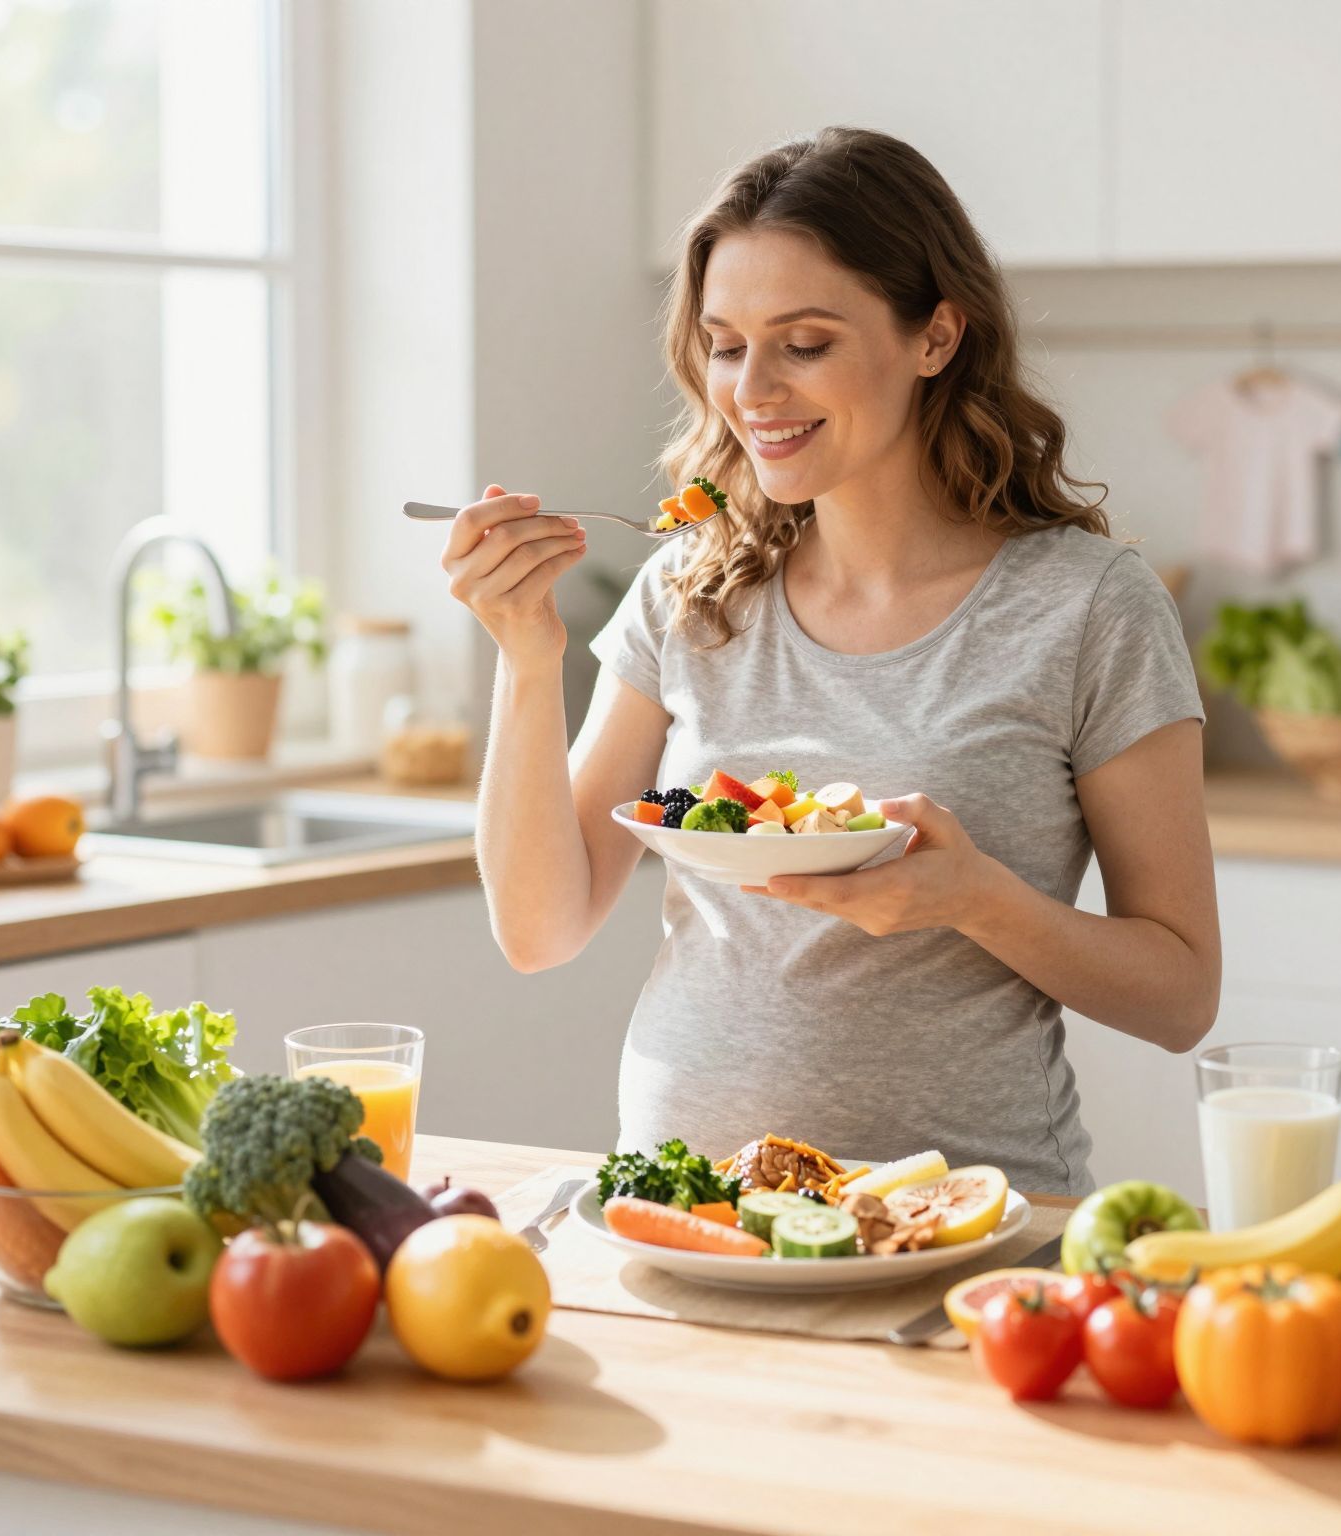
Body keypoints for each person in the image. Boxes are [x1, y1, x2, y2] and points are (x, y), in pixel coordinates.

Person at [437, 127, 1218, 1194]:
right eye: (723, 343)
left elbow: (1179, 997)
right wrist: (526, 661)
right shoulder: (689, 591)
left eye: (803, 343)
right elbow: (538, 928)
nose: (750, 389)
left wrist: (971, 897)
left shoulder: (1085, 607)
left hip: (959, 1225)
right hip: (686, 1210)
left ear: (935, 336)